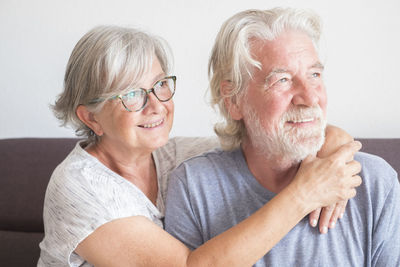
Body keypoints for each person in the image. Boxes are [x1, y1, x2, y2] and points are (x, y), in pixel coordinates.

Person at [38, 25, 362, 267]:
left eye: (160, 85)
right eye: (132, 95)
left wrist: (334, 142)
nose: (156, 106)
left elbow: (265, 137)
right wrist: (305, 193)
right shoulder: (77, 187)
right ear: (90, 118)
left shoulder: (176, 155)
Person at [164, 7, 400, 266]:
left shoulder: (374, 183)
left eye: (314, 75)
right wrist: (305, 193)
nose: (310, 98)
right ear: (233, 100)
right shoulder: (194, 186)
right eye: (283, 80)